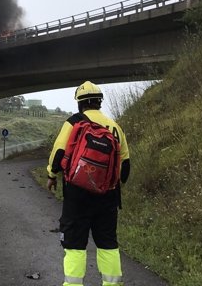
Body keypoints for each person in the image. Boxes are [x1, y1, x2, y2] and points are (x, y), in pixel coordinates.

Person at [47, 81, 130, 286]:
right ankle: (112, 284)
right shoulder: (114, 126)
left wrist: (51, 174)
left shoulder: (74, 122)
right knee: (107, 243)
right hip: (108, 195)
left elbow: (58, 153)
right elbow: (125, 166)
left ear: (79, 103)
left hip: (77, 194)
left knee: (75, 244)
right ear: (100, 102)